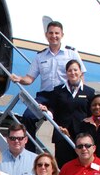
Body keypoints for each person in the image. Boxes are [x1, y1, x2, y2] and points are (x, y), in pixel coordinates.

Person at [10, 21, 87, 150]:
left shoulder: (71, 53)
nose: (54, 36)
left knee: (64, 127)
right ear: (46, 35)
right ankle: (30, 152)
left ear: (62, 35)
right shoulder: (40, 56)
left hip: (64, 96)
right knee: (28, 117)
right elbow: (30, 78)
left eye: (57, 33)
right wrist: (19, 79)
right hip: (45, 96)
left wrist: (79, 95)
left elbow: (80, 76)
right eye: (51, 33)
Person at [41, 59, 95, 168]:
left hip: (80, 135)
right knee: (62, 166)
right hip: (62, 135)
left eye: (75, 70)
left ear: (80, 72)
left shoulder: (89, 92)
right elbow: (53, 109)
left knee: (80, 166)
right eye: (69, 70)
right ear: (66, 73)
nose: (73, 73)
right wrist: (47, 112)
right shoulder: (58, 91)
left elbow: (91, 114)